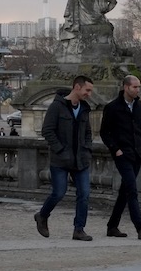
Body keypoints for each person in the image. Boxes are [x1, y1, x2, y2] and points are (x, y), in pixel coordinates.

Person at [34, 75, 96, 241]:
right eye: (87, 90)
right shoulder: (56, 107)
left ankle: (79, 229)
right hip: (61, 160)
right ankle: (42, 215)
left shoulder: (84, 108)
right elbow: (47, 130)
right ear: (77, 87)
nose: (89, 94)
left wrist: (87, 148)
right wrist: (60, 150)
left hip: (80, 159)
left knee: (84, 194)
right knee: (58, 193)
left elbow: (88, 132)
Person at [98, 75, 141, 240]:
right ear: (126, 87)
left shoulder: (140, 106)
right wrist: (116, 149)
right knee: (132, 190)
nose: (138, 90)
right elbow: (104, 132)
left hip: (137, 153)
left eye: (139, 87)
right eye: (135, 87)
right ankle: (140, 228)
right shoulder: (112, 107)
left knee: (125, 191)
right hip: (122, 154)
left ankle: (112, 226)